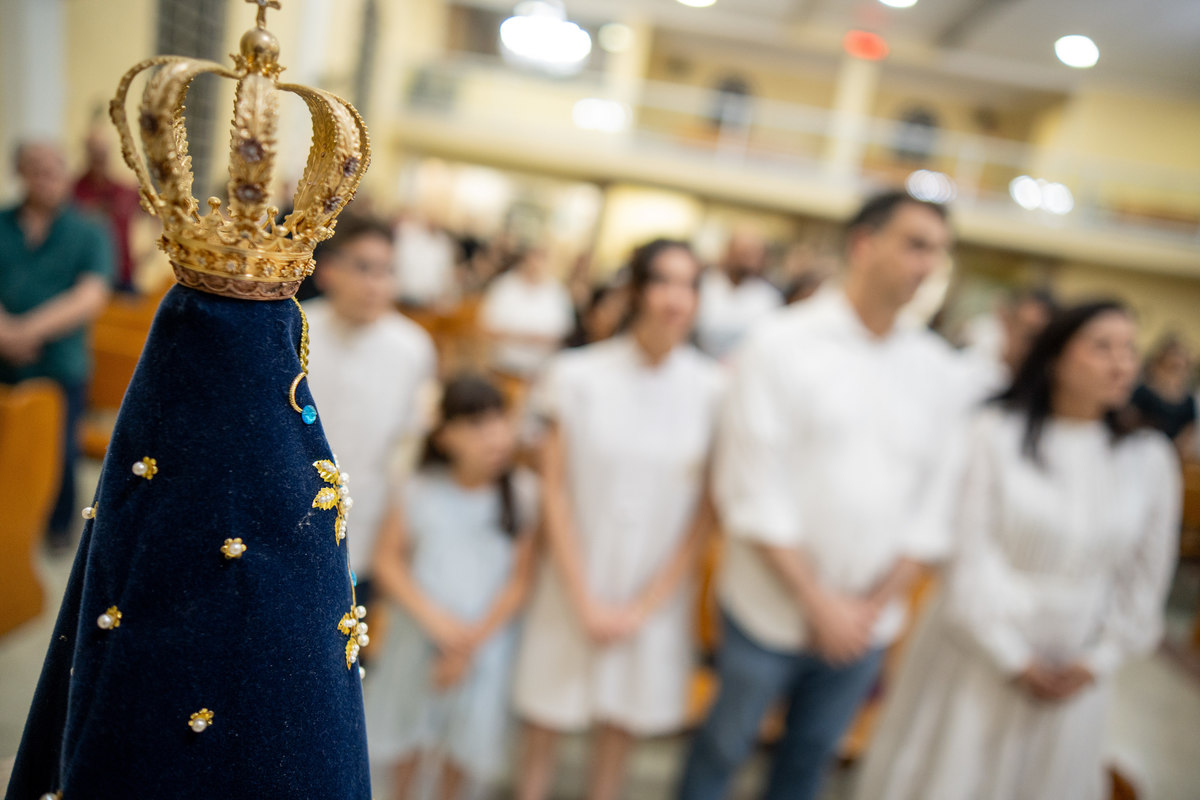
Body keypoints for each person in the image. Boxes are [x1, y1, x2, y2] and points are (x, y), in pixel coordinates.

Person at [678, 192, 972, 800]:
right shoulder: (781, 343)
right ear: (864, 244)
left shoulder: (938, 369)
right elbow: (753, 487)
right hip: (769, 605)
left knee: (810, 761)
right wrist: (819, 604)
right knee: (723, 748)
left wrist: (867, 609)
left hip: (867, 620)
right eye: (915, 246)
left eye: (937, 253)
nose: (927, 266)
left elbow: (935, 505)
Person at [854, 301, 1181, 800]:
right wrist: (1013, 658)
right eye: (1102, 347)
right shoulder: (994, 433)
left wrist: (1098, 659)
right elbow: (968, 554)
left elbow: (1146, 577)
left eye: (1130, 350)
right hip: (979, 650)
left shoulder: (1149, 459)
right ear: (1056, 357)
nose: (1121, 364)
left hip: (1078, 661)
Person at [513, 239, 723, 800]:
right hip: (573, 579)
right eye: (663, 282)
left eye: (690, 285)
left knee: (618, 740)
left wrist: (643, 606)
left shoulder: (712, 390)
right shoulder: (576, 375)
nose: (676, 299)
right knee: (543, 730)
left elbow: (704, 513)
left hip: (653, 591)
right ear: (635, 291)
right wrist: (583, 596)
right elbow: (553, 490)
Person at [365, 374, 538, 799]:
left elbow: (519, 581)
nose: (494, 434)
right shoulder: (418, 489)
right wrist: (438, 625)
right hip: (417, 639)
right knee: (405, 744)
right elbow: (387, 561)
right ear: (444, 436)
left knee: (461, 754)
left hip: (483, 649)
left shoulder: (523, 495)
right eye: (476, 424)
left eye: (500, 419)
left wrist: (467, 645)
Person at [303, 215, 437, 617]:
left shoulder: (413, 348)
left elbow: (409, 444)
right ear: (328, 269)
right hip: (287, 509)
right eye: (364, 268)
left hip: (365, 519)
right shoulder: (297, 327)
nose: (376, 284)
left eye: (387, 271)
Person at [0, 141, 113, 551]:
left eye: (54, 166)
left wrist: (25, 332)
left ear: (66, 172)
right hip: (2, 360)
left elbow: (91, 295)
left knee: (58, 453)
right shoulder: (3, 222)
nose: (45, 175)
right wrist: (4, 333)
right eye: (35, 166)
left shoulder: (88, 230)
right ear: (20, 172)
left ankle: (57, 529)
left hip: (59, 362)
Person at [479, 247, 574, 379]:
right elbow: (487, 324)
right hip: (501, 365)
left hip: (539, 370)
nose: (536, 266)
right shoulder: (504, 286)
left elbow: (564, 330)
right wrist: (520, 337)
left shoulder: (557, 292)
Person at [73, 124, 143, 292]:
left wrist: (145, 255)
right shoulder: (73, 191)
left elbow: (157, 217)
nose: (99, 158)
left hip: (122, 274)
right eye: (95, 153)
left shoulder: (125, 190)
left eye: (102, 153)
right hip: (84, 275)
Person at [694, 226, 782, 360]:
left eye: (754, 253)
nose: (747, 260)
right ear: (728, 252)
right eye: (743, 252)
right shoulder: (703, 286)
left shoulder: (769, 298)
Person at [966, 287, 1057, 394]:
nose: (1035, 318)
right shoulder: (986, 329)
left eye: (1042, 313)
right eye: (1035, 309)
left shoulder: (1037, 349)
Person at [1130, 334, 1196, 457]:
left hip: (1175, 455)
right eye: (1172, 366)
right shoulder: (1144, 392)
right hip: (1143, 451)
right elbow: (1132, 420)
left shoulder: (1188, 400)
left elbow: (1189, 431)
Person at [392, 210, 460, 309]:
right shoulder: (411, 238)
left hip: (434, 299)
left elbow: (445, 271)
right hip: (409, 296)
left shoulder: (444, 243)